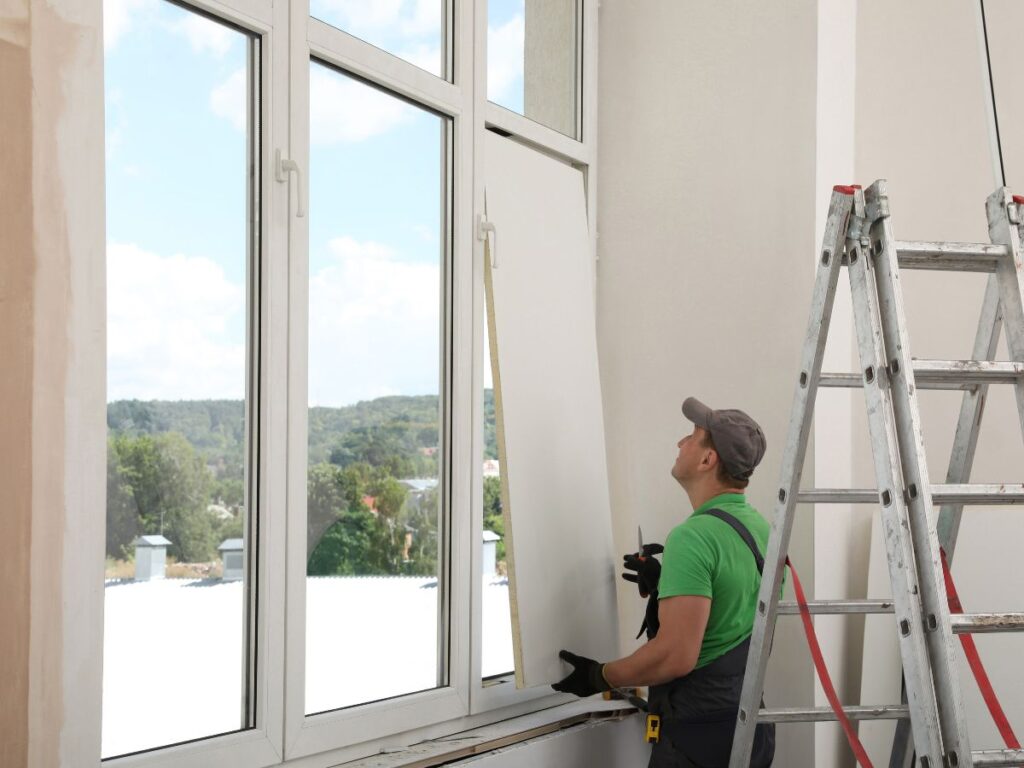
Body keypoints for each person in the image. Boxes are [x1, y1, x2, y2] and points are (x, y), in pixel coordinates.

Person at [552, 397, 776, 768]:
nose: (680, 443)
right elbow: (733, 613)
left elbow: (675, 656)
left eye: (692, 436)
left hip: (698, 740)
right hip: (750, 729)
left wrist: (600, 675)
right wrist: (666, 587)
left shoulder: (694, 537)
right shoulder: (763, 531)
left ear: (708, 460)